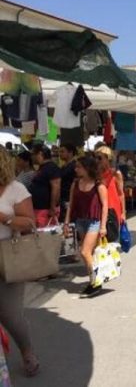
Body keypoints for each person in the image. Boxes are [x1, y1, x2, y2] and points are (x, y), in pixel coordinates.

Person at [0, 147, 40, 377]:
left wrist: (3, 218)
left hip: (8, 255)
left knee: (10, 314)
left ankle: (27, 351)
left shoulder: (16, 190)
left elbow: (29, 224)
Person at [63, 155, 109, 298]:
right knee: (90, 252)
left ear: (87, 168)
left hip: (94, 221)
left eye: (79, 167)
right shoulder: (75, 184)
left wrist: (103, 226)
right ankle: (93, 279)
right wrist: (66, 222)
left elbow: (105, 206)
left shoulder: (99, 185)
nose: (76, 169)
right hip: (80, 221)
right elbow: (70, 204)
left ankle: (95, 282)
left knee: (84, 252)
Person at [95, 146, 126, 231]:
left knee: (112, 238)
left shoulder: (115, 173)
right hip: (99, 208)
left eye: (99, 158)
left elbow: (121, 194)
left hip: (113, 209)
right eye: (95, 157)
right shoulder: (95, 173)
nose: (97, 160)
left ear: (108, 158)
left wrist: (123, 213)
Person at [30, 144, 61, 227]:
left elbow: (56, 188)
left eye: (33, 154)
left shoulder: (51, 167)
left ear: (40, 154)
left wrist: (52, 207)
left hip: (46, 210)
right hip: (40, 209)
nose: (31, 157)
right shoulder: (42, 167)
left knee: (45, 235)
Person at [58, 143, 77, 222]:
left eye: (63, 151)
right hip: (63, 198)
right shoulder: (64, 166)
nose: (60, 154)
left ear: (70, 152)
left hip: (68, 198)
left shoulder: (74, 166)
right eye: (60, 152)